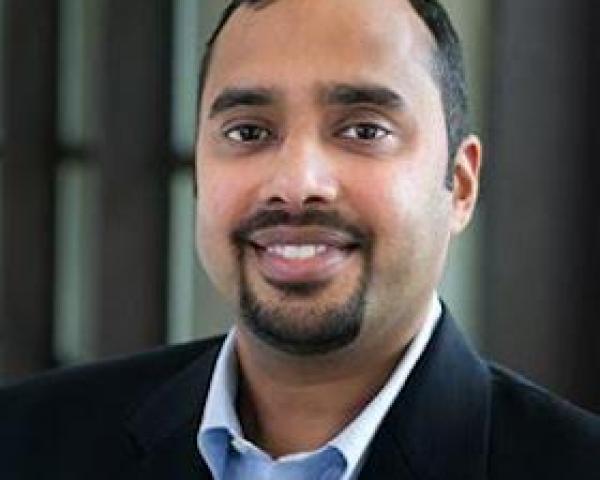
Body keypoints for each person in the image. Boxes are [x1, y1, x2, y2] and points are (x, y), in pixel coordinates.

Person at [1, 0, 599, 479]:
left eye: (364, 130)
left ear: (460, 186)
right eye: (248, 131)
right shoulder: (27, 440)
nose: (296, 184)